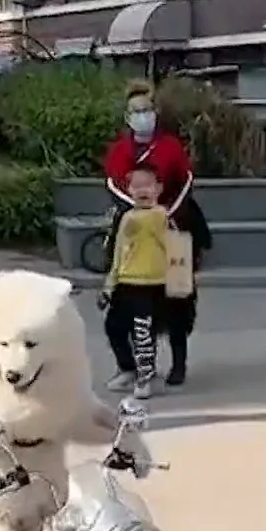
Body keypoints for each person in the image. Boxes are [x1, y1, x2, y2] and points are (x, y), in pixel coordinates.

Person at [104, 81, 210, 388]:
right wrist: (140, 212)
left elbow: (187, 181)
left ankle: (178, 363)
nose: (143, 116)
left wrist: (167, 214)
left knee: (178, 299)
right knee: (124, 311)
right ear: (127, 117)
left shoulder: (170, 146)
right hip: (133, 231)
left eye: (147, 110)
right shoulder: (120, 150)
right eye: (136, 111)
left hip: (174, 228)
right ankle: (130, 367)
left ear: (156, 112)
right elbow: (113, 185)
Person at [99, 163, 172, 399]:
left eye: (147, 185)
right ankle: (128, 369)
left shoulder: (160, 215)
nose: (142, 190)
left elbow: (153, 224)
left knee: (143, 333)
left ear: (158, 188)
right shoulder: (127, 217)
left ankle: (146, 377)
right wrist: (109, 286)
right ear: (128, 190)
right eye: (136, 185)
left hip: (151, 284)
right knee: (114, 328)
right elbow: (119, 253)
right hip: (125, 283)